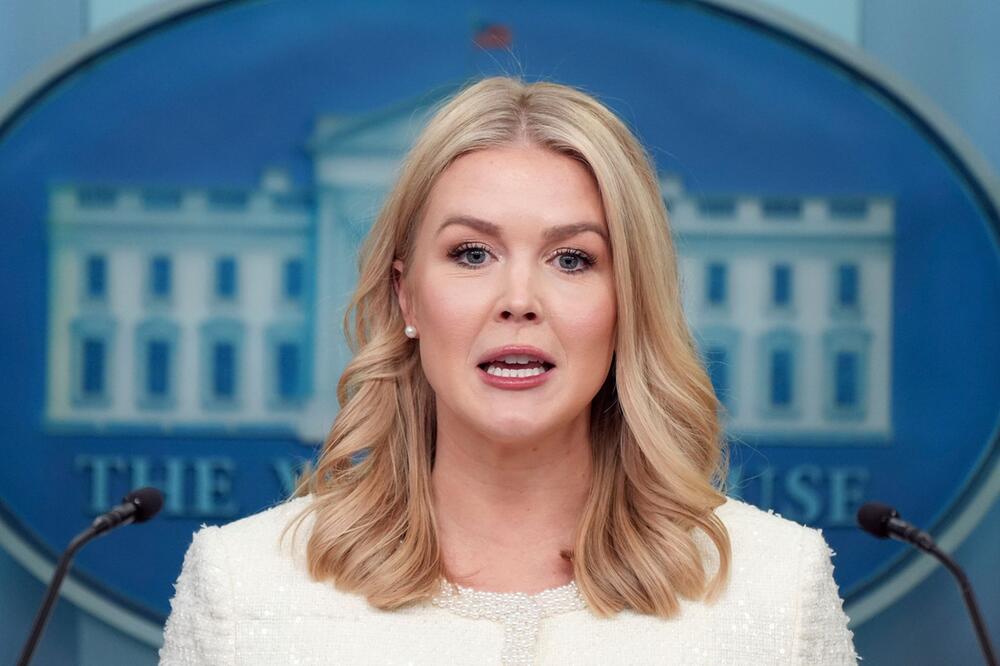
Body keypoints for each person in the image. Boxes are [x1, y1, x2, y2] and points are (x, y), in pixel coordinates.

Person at [159, 75, 857, 665]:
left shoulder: (777, 589)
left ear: (629, 303)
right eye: (471, 254)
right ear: (406, 297)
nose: (519, 302)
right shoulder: (241, 586)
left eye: (572, 259)